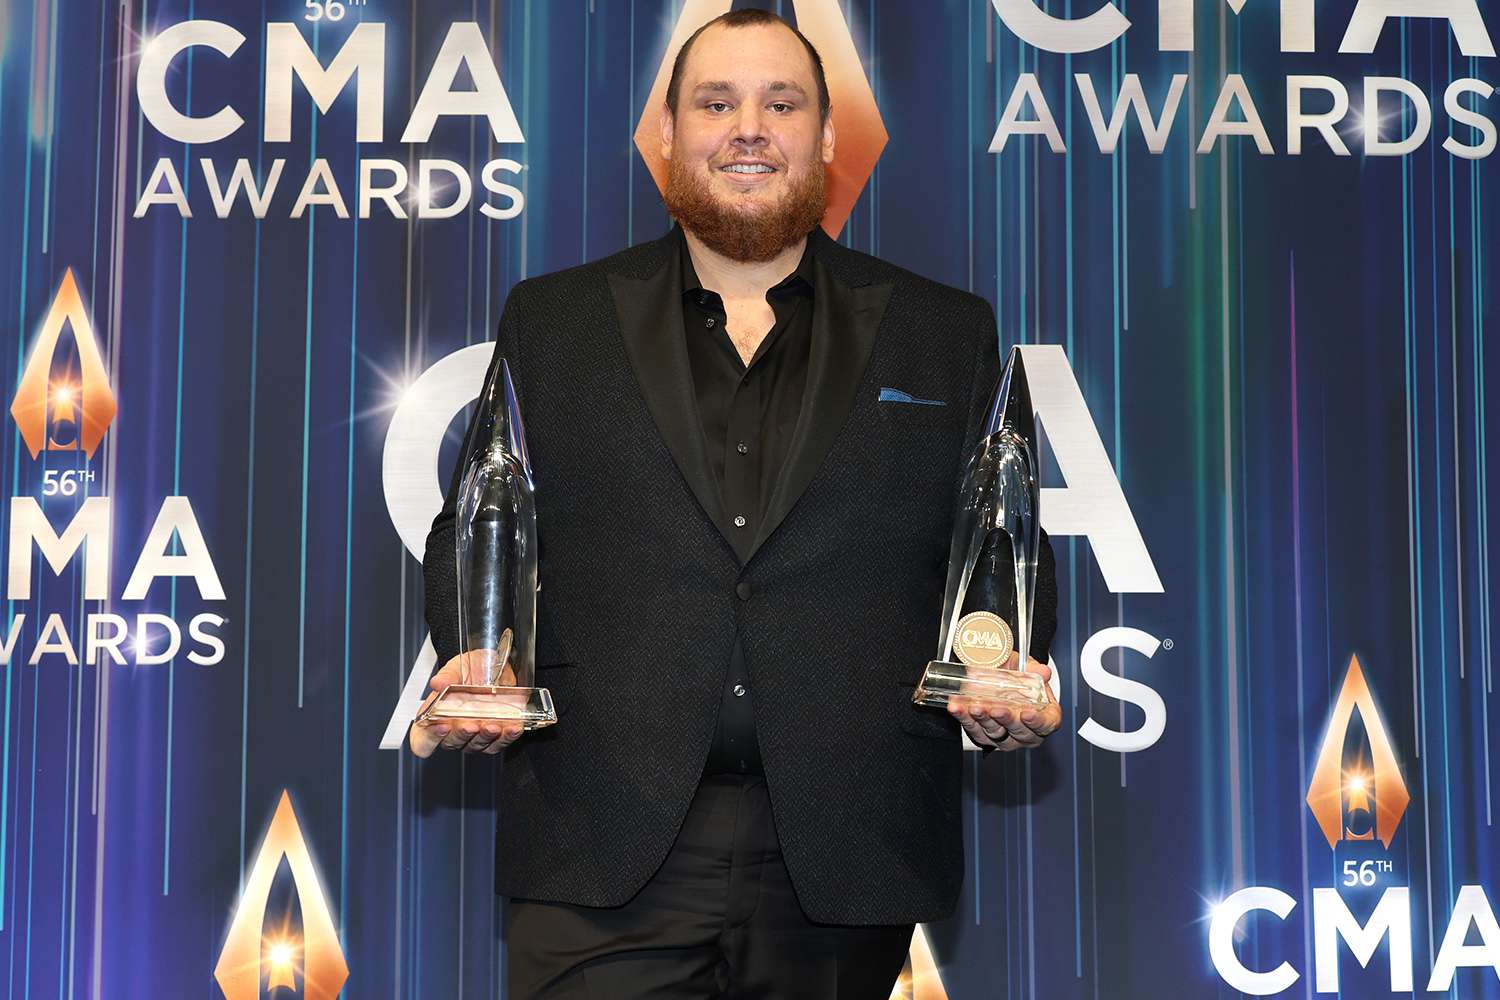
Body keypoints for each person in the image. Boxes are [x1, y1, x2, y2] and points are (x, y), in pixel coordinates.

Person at [409, 9, 1061, 998]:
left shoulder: (942, 331)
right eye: (716, 102)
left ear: (828, 137)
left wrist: (1003, 675)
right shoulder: (555, 320)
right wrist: (478, 650)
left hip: (849, 847)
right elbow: (475, 524)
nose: (747, 127)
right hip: (601, 841)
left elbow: (1005, 543)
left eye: (780, 102)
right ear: (666, 134)